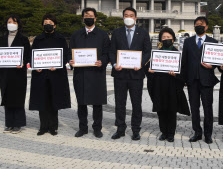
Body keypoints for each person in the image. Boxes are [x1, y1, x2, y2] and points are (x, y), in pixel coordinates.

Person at [109, 7, 152, 140]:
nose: (128, 17)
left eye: (131, 15)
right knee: (120, 103)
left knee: (136, 103)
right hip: (120, 74)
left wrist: (141, 64)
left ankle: (136, 129)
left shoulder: (143, 33)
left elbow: (147, 51)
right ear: (123, 17)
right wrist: (115, 64)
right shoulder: (116, 32)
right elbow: (111, 51)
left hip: (136, 74)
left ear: (135, 18)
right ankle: (120, 128)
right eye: (126, 15)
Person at [69, 8, 111, 138]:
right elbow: (70, 52)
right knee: (81, 102)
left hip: (96, 73)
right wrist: (70, 61)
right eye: (86, 15)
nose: (88, 17)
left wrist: (102, 61)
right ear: (82, 18)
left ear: (95, 18)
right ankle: (83, 128)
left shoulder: (103, 35)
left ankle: (97, 128)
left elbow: (107, 53)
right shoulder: (76, 34)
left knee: (97, 103)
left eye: (91, 15)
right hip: (80, 73)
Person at [145, 28, 190, 142]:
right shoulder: (156, 54)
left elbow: (184, 73)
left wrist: (176, 74)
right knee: (161, 110)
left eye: (168, 37)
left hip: (173, 86)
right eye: (164, 37)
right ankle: (163, 132)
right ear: (160, 39)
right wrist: (149, 71)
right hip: (159, 86)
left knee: (171, 110)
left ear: (173, 39)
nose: (166, 39)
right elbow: (148, 69)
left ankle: (171, 133)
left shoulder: (178, 54)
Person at [29, 14, 71, 136]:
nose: (48, 24)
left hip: (56, 74)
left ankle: (53, 126)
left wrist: (58, 65)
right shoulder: (38, 39)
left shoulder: (61, 39)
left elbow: (65, 55)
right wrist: (36, 66)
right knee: (42, 100)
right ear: (42, 25)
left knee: (54, 100)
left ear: (55, 25)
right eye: (45, 22)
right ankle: (43, 126)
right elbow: (33, 56)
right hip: (41, 75)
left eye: (50, 22)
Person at [181, 16, 219, 144]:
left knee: (208, 107)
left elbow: (218, 61)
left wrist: (212, 65)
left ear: (206, 27)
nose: (199, 26)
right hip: (192, 80)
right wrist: (184, 79)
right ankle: (197, 132)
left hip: (206, 80)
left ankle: (208, 134)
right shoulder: (188, 42)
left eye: (201, 24)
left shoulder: (213, 42)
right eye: (196, 24)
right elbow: (184, 62)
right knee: (194, 108)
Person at [0, 15, 31, 134]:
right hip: (5, 73)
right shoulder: (2, 39)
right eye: (9, 22)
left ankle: (18, 123)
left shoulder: (23, 39)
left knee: (17, 97)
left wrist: (23, 62)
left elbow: (28, 55)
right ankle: (9, 123)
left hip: (18, 73)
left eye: (13, 22)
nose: (11, 23)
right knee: (6, 97)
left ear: (18, 24)